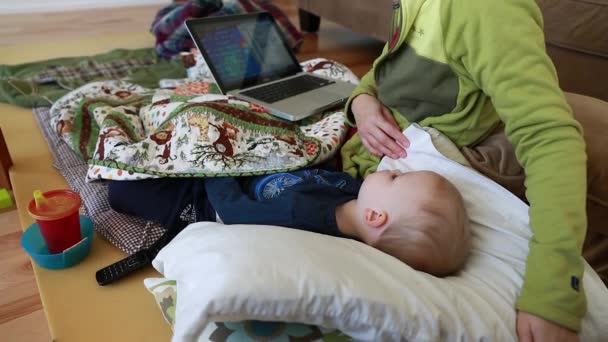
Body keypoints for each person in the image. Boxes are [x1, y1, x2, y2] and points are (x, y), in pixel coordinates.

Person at [340, 0, 608, 340]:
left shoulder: (483, 11)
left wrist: (555, 291)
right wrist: (362, 101)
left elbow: (549, 139)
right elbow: (390, 63)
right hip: (383, 143)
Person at [108, 168, 471, 277]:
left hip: (208, 199)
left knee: (123, 187)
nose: (392, 169)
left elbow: (235, 211)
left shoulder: (303, 218)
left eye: (395, 178)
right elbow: (325, 174)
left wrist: (216, 167)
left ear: (376, 217)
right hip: (254, 169)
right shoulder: (357, 196)